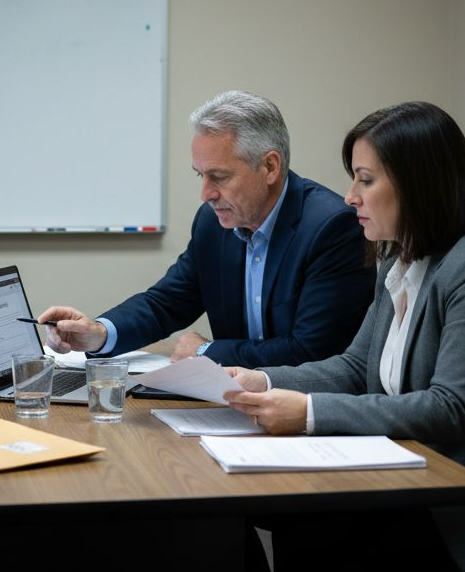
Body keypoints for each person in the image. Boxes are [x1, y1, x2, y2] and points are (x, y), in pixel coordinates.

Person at [224, 101, 465, 572]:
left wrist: (306, 412)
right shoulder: (400, 260)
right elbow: (357, 369)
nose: (350, 196)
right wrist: (258, 380)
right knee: (276, 519)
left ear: (419, 184)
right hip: (419, 489)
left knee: (309, 534)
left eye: (365, 179)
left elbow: (450, 409)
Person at [40, 90, 373, 366]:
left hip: (309, 417)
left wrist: (206, 352)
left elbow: (313, 352)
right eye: (201, 175)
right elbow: (166, 302)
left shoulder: (332, 227)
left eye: (220, 176)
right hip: (235, 407)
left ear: (270, 166)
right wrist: (99, 332)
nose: (206, 194)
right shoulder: (214, 224)